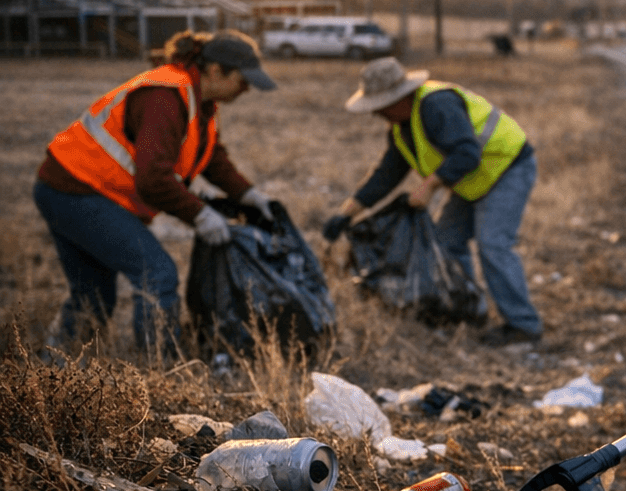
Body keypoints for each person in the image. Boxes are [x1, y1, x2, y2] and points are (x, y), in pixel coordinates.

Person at [34, 30, 278, 355]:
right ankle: (159, 372)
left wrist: (249, 195)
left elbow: (211, 156)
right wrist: (201, 216)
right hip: (76, 192)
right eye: (243, 80)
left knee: (92, 296)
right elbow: (153, 181)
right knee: (157, 275)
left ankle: (49, 369)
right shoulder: (165, 98)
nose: (247, 88)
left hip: (73, 189)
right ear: (216, 71)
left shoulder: (200, 101)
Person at [322, 57, 541, 345]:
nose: (378, 114)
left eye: (381, 106)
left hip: (507, 168)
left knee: (493, 244)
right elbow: (388, 172)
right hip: (473, 180)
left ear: (401, 97)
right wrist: (349, 212)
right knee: (446, 242)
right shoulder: (401, 127)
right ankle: (469, 306)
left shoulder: (437, 105)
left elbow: (466, 153)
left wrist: (430, 187)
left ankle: (523, 325)